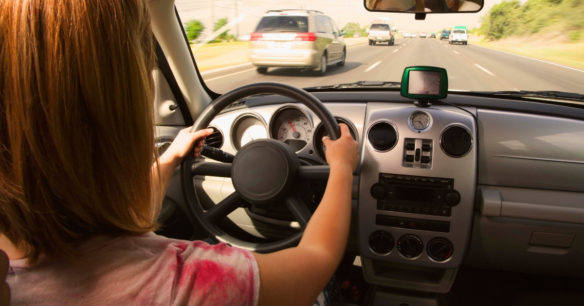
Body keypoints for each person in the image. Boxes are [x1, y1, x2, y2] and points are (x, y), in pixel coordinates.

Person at [0, 0, 359, 305]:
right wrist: (341, 168)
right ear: (122, 126)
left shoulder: (13, 274)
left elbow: (127, 210)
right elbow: (314, 261)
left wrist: (170, 159)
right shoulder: (187, 282)